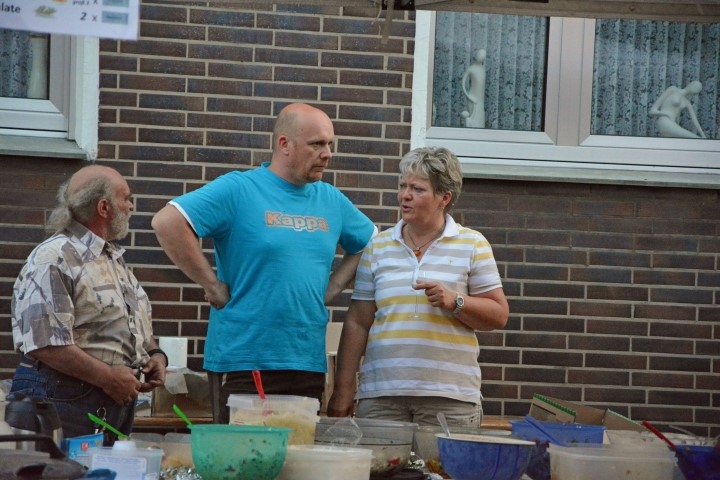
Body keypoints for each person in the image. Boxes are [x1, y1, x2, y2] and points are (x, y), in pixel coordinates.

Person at [151, 102, 377, 424]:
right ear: (284, 144)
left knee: (299, 453)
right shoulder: (240, 189)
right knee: (245, 454)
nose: (327, 154)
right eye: (317, 144)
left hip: (305, 360)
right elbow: (168, 222)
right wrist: (211, 284)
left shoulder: (329, 199)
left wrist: (333, 286)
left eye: (330, 144)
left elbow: (370, 242)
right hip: (244, 360)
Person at [327, 146, 509, 428]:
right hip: (381, 396)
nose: (405, 195)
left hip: (449, 397)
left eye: (418, 189)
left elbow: (499, 314)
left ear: (444, 198)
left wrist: (455, 301)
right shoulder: (378, 246)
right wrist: (343, 389)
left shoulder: (473, 244)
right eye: (403, 186)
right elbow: (358, 322)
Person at [9, 165, 167, 444]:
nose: (131, 206)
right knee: (59, 468)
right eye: (126, 198)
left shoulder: (110, 257)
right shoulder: (53, 257)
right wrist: (109, 378)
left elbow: (129, 321)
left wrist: (154, 354)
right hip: (61, 398)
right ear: (104, 207)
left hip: (106, 400)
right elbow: (44, 343)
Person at [460, 48, 487, 129]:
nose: (481, 57)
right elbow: (463, 84)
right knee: (471, 118)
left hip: (480, 100)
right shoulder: (471, 68)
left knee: (480, 119)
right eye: (479, 54)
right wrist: (468, 96)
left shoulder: (482, 69)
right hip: (472, 97)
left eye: (483, 56)